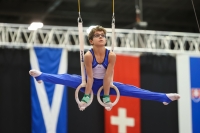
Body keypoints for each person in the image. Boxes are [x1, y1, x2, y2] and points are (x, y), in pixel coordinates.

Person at [29, 25, 180, 111]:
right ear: (91, 40)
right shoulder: (88, 55)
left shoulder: (111, 55)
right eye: (97, 35)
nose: (101, 37)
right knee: (65, 78)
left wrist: (106, 96)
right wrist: (86, 98)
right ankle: (40, 76)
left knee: (134, 91)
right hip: (88, 82)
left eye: (103, 35)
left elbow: (108, 77)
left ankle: (164, 98)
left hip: (105, 84)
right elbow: (90, 77)